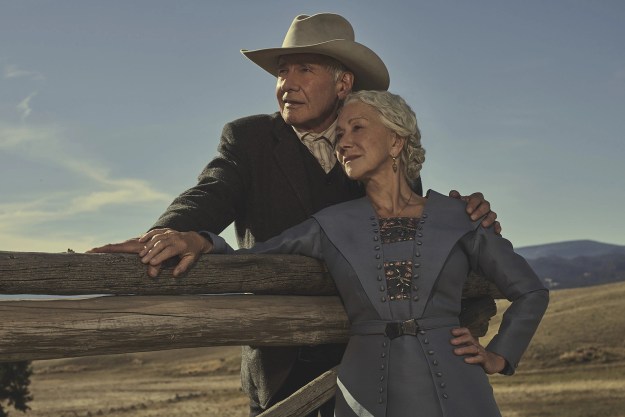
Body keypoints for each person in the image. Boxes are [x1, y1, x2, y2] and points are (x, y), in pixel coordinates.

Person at [89, 13, 502, 417]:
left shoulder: (377, 141)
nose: (287, 84)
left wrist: (464, 224)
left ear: (343, 83)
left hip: (372, 362)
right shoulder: (248, 139)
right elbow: (212, 192)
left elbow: (409, 234)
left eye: (304, 69)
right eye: (282, 72)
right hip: (279, 361)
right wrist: (173, 231)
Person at [140, 90, 549, 417]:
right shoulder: (329, 224)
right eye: (339, 136)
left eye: (357, 128)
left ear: (396, 140)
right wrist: (201, 240)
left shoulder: (459, 216)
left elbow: (529, 290)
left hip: (459, 388)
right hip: (365, 391)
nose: (344, 142)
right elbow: (256, 258)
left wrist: (500, 354)